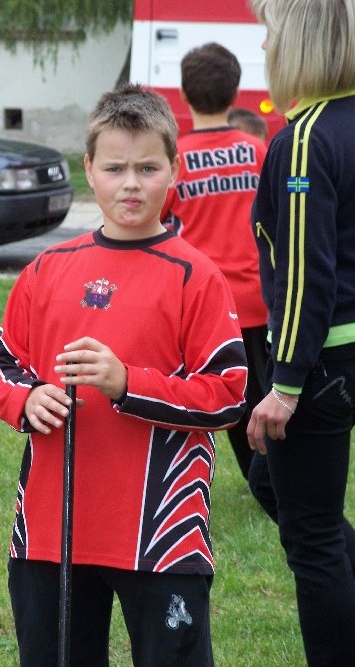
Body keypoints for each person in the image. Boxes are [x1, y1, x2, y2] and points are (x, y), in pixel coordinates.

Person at [0, 83, 248, 666]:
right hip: (51, 531)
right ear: (89, 170)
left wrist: (128, 384)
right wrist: (26, 400)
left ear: (174, 169)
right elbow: (1, 363)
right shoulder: (47, 268)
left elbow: (228, 395)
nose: (131, 183)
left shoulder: (196, 276)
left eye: (148, 168)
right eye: (115, 168)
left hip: (161, 535)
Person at [246, 1, 355, 665]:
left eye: (270, 32)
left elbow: (303, 276)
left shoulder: (306, 139)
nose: (265, 45)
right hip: (340, 353)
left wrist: (284, 384)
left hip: (322, 360)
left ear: (298, 42)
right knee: (269, 482)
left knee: (311, 537)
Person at [161, 42, 268, 481]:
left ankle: (187, 473)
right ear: (236, 93)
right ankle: (266, 478)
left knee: (198, 394)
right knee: (259, 397)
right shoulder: (259, 151)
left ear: (183, 95)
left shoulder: (171, 161)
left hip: (198, 305)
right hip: (258, 302)